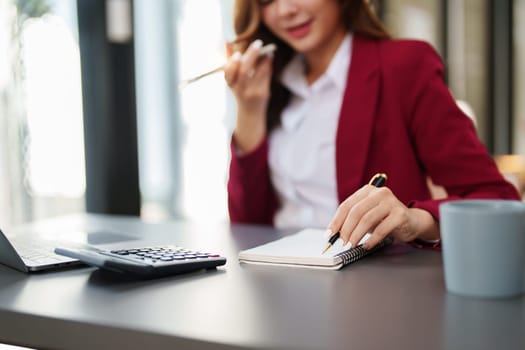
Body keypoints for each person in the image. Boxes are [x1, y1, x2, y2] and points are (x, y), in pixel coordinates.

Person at [223, 0, 520, 250]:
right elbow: (247, 227)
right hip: (276, 286)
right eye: (266, 0)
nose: (285, 9)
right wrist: (249, 110)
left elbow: (495, 198)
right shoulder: (270, 85)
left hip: (369, 293)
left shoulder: (404, 66)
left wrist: (416, 219)